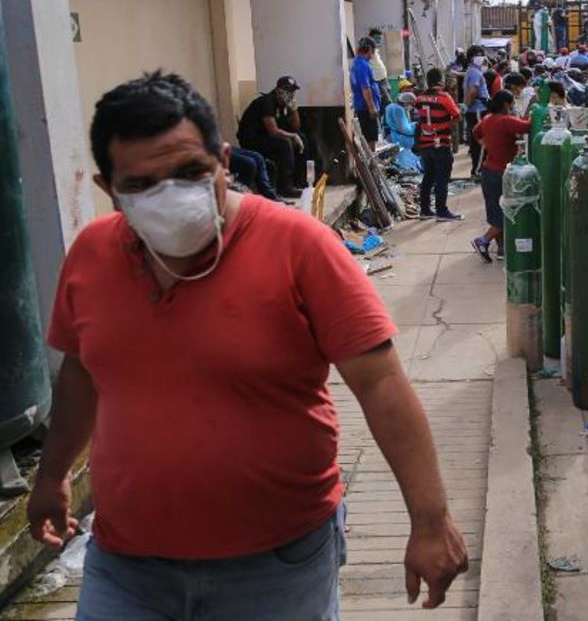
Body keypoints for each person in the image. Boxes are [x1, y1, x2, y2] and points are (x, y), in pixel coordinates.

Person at [27, 70, 468, 619]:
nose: (173, 198)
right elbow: (80, 376)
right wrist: (50, 479)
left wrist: (430, 521)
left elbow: (380, 384)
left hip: (277, 566)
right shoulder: (92, 256)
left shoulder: (297, 245)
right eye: (143, 185)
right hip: (127, 564)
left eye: (190, 173)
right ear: (107, 189)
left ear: (224, 160)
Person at [471, 91, 533, 262]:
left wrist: (488, 145)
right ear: (506, 104)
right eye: (512, 103)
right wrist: (533, 108)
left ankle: (502, 249)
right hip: (502, 173)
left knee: (496, 211)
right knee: (508, 212)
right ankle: (483, 240)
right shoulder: (505, 121)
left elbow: (475, 132)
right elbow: (528, 126)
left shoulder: (488, 119)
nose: (513, 106)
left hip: (488, 171)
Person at [236, 77, 309, 199]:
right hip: (252, 140)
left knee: (302, 138)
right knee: (285, 143)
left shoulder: (283, 105)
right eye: (287, 91)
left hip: (267, 137)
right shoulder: (267, 102)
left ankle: (300, 181)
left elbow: (295, 128)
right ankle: (285, 187)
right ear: (278, 90)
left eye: (292, 92)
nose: (290, 95)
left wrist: (294, 111)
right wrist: (293, 136)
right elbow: (273, 131)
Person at [413, 68, 465, 221]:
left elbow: (419, 118)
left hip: (425, 144)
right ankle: (442, 211)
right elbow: (457, 116)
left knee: (428, 176)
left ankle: (425, 210)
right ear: (441, 81)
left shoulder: (420, 98)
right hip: (441, 142)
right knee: (442, 177)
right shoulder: (444, 97)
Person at [350, 37, 383, 153]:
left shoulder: (357, 64)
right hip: (366, 108)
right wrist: (371, 107)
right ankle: (371, 166)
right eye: (372, 51)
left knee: (369, 138)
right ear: (369, 50)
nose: (372, 55)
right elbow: (365, 87)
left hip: (363, 107)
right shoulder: (363, 65)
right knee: (370, 140)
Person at [463, 46, 490, 179]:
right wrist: (465, 106)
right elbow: (474, 90)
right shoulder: (474, 72)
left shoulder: (473, 71)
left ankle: (477, 169)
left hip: (474, 110)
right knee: (481, 142)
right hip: (478, 110)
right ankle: (478, 171)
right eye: (478, 55)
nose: (481, 57)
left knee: (476, 142)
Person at [385, 89, 421, 173]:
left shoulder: (392, 106)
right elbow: (404, 129)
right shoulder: (398, 110)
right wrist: (416, 126)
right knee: (404, 161)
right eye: (411, 104)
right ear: (406, 103)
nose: (411, 106)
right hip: (400, 138)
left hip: (393, 136)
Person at [368, 28, 392, 106]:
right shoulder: (369, 49)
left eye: (380, 39)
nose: (379, 41)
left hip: (383, 80)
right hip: (377, 81)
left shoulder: (376, 50)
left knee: (386, 103)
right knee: (386, 103)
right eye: (377, 38)